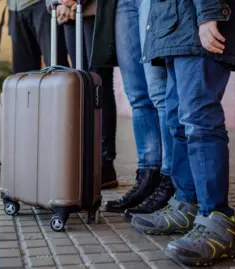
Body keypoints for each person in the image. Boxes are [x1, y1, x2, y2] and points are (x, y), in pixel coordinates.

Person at [129, 0, 235, 266]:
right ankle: (186, 205)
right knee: (178, 122)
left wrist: (209, 12)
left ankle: (218, 221)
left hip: (194, 21)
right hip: (175, 29)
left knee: (199, 122)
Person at [63, 0, 175, 214]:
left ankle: (169, 178)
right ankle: (147, 174)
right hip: (120, 3)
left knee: (158, 92)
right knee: (137, 95)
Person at [0, 0, 70, 172]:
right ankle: (21, 156)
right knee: (21, 86)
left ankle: (63, 154)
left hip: (44, 6)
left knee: (57, 76)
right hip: (17, 11)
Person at [45, 0, 119, 190]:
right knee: (82, 85)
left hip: (94, 10)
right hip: (68, 13)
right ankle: (85, 160)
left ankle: (104, 162)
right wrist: (56, 2)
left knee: (98, 83)